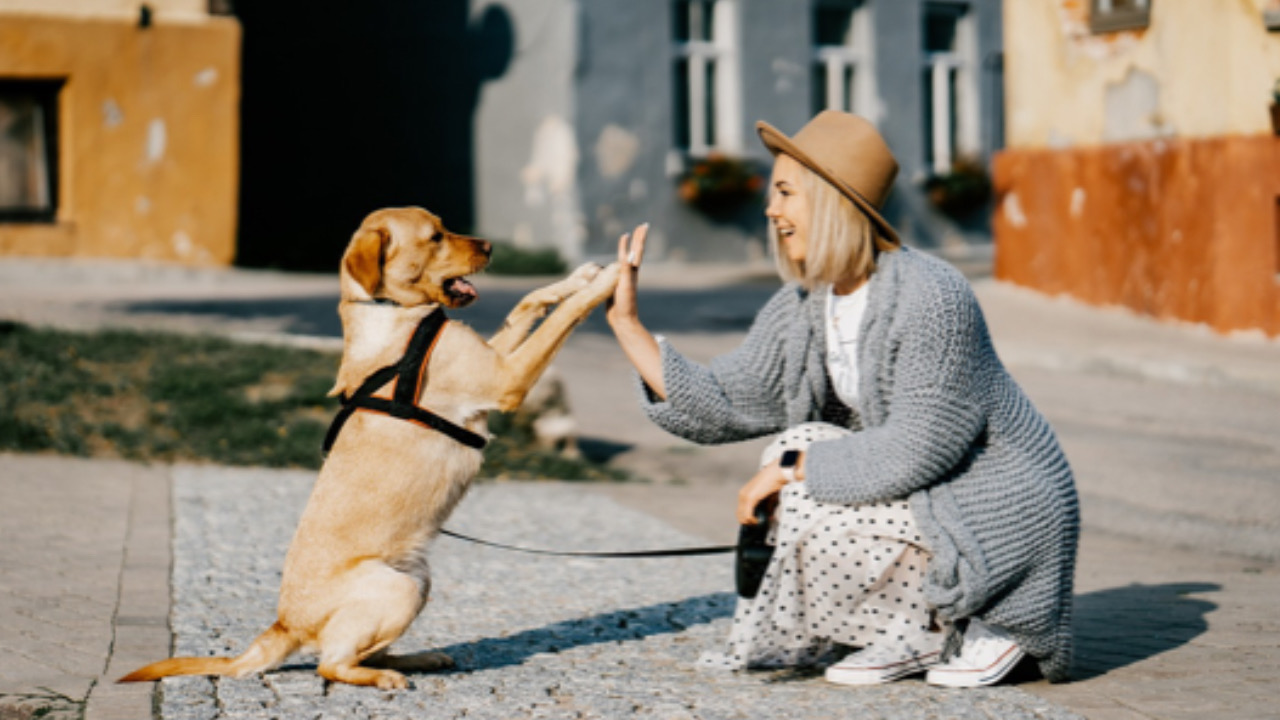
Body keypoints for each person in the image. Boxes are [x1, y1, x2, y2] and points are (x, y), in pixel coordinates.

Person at [605, 111, 1078, 687]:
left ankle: (982, 621)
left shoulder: (933, 296)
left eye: (784, 192)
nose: (770, 210)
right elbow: (727, 399)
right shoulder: (807, 303)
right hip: (928, 493)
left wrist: (789, 472)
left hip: (996, 503)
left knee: (798, 463)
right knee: (798, 445)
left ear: (830, 200)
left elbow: (919, 448)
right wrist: (628, 325)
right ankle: (908, 630)